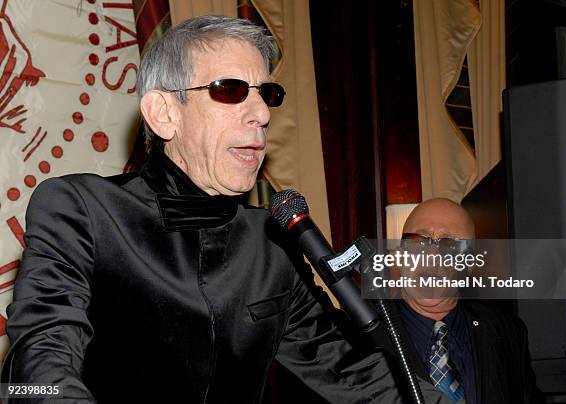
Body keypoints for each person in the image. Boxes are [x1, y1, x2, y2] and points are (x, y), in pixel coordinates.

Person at [2, 16, 449, 404]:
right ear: (163, 113)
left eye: (266, 93)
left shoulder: (273, 246)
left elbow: (353, 373)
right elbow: (39, 369)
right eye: (230, 90)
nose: (260, 112)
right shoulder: (82, 211)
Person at [396, 198, 543, 404]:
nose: (431, 256)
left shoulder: (507, 332)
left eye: (450, 246)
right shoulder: (360, 339)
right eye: (418, 241)